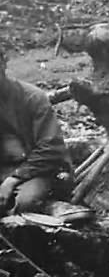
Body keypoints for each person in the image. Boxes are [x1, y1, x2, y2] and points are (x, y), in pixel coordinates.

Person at [0, 43, 72, 215]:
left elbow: (51, 150)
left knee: (25, 203)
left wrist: (12, 179)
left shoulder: (33, 98)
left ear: (2, 64)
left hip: (41, 171)